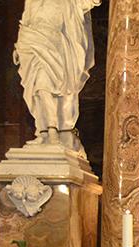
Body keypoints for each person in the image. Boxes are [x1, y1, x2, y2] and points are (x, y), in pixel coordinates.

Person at [14, 0, 100, 150]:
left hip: (55, 44)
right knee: (37, 87)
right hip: (33, 42)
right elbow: (26, 20)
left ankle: (52, 130)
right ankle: (45, 131)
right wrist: (19, 47)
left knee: (44, 85)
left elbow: (88, 2)